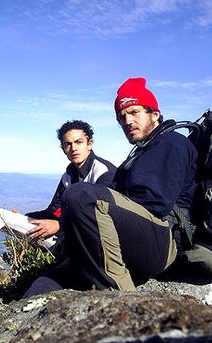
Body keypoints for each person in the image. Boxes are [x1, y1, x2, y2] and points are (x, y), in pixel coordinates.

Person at [24, 77, 198, 297]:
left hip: (163, 243)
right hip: (127, 239)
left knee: (80, 196)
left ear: (154, 114)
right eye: (122, 117)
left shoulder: (170, 143)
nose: (127, 121)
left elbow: (154, 204)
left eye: (135, 112)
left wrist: (66, 224)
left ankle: (123, 299)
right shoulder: (139, 153)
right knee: (44, 285)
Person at [24, 120, 116, 242]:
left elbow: (104, 217)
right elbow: (54, 211)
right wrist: (25, 218)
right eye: (68, 144)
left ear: (89, 144)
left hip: (107, 238)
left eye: (79, 142)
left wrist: (59, 225)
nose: (73, 148)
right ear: (63, 149)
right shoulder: (69, 175)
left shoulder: (103, 172)